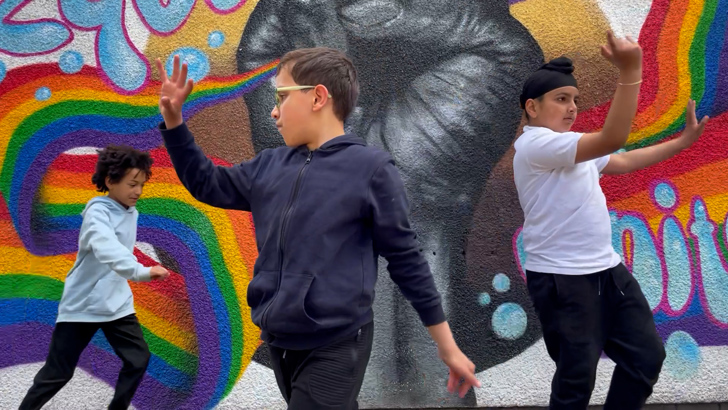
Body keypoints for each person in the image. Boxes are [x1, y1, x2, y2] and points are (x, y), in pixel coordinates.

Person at [155, 47, 480, 409]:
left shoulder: (370, 169)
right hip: (280, 336)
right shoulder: (269, 165)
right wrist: (174, 124)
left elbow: (408, 261)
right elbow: (207, 183)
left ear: (318, 97)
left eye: (281, 96)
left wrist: (446, 346)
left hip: (337, 339)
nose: (273, 110)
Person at [513, 32, 709, 410]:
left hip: (607, 271)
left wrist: (681, 143)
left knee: (645, 357)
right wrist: (630, 71)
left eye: (574, 100)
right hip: (562, 280)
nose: (571, 108)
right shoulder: (536, 145)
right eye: (560, 99)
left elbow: (619, 159)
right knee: (576, 381)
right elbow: (612, 137)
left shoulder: (570, 147)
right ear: (532, 108)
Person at [19, 145, 170, 410]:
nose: (138, 191)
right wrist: (140, 271)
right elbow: (106, 247)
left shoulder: (130, 212)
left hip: (116, 305)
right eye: (132, 184)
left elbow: (120, 254)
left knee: (138, 359)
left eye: (142, 185)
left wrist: (133, 269)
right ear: (111, 181)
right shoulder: (96, 213)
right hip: (82, 306)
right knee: (58, 373)